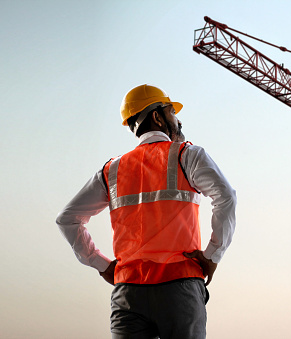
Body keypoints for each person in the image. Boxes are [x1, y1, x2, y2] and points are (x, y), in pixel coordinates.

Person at [56, 84, 237, 339]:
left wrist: (102, 264)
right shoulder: (188, 155)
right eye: (171, 112)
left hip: (128, 293)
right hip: (180, 287)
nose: (177, 119)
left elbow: (67, 219)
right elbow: (226, 197)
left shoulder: (113, 170)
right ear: (156, 116)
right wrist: (212, 255)